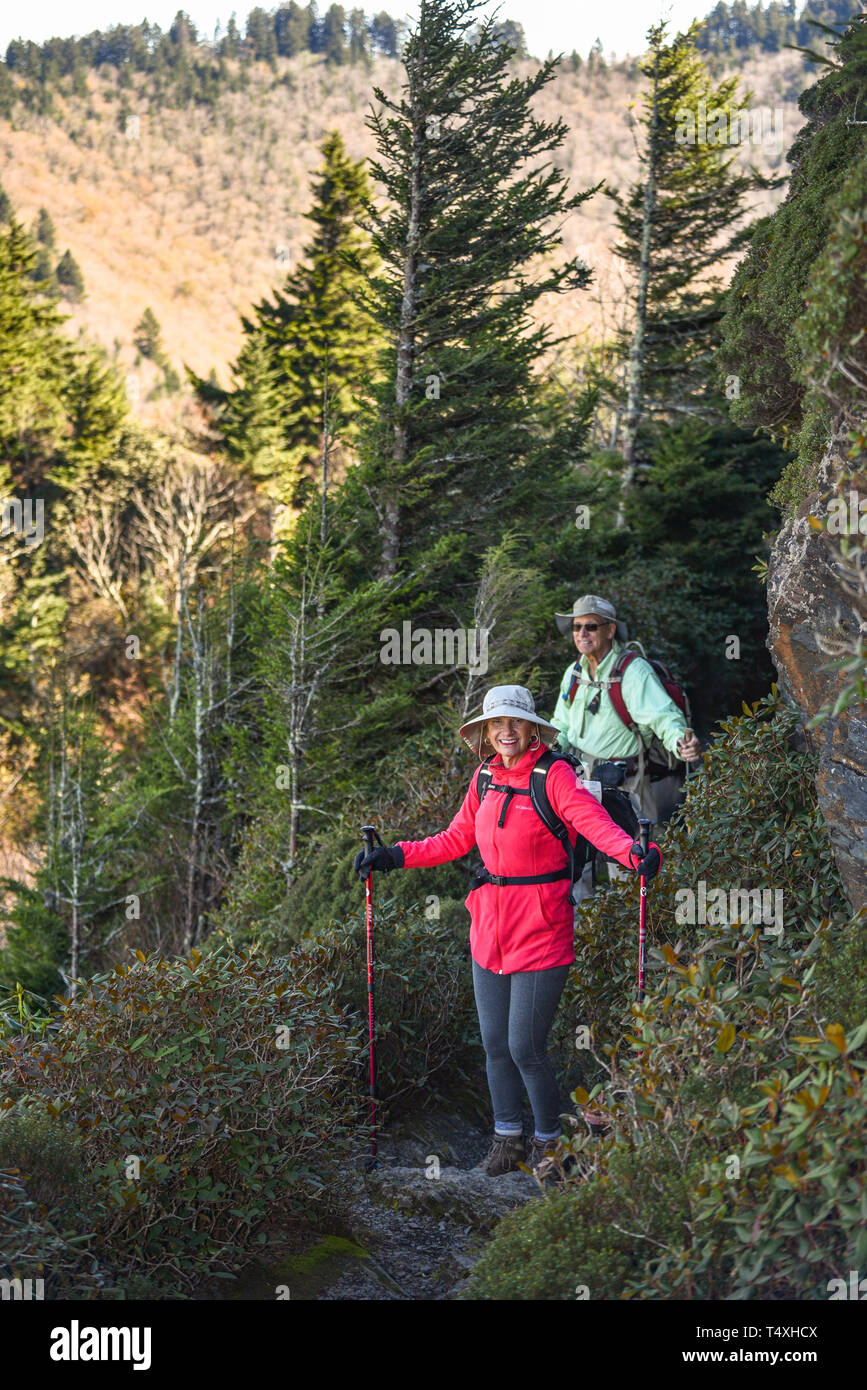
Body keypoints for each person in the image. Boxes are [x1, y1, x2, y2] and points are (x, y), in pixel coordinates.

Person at [353, 685, 661, 1179]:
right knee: (494, 1042)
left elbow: (593, 823)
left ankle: (550, 1144)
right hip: (489, 926)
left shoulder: (554, 776)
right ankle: (506, 1140)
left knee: (525, 1048)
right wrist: (393, 856)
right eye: (497, 724)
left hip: (542, 928)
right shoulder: (484, 778)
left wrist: (634, 854)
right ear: (486, 733)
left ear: (533, 729)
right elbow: (455, 839)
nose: (506, 731)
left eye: (515, 722)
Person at [550, 595, 699, 899]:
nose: (581, 633)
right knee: (577, 864)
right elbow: (562, 723)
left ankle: (633, 932)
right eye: (577, 627)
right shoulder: (574, 673)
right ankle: (583, 937)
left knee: (630, 864)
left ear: (610, 630)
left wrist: (680, 741)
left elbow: (663, 717)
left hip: (625, 784)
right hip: (577, 783)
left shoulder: (633, 671)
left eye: (591, 626)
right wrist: (548, 749)